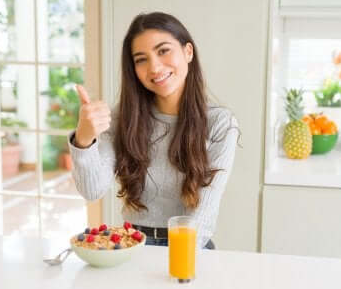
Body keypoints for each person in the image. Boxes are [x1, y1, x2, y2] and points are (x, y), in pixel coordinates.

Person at [69, 12, 239, 249]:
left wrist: (177, 260)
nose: (155, 67)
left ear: (188, 52)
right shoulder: (122, 118)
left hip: (191, 247)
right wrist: (84, 140)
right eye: (141, 59)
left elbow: (205, 210)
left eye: (163, 51)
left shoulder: (220, 123)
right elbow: (92, 190)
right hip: (132, 245)